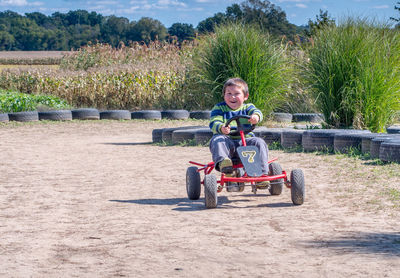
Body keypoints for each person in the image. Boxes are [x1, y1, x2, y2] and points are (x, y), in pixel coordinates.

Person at [209, 77, 269, 186]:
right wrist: (222, 128)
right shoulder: (219, 108)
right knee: (218, 139)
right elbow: (214, 122)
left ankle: (261, 175)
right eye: (229, 93)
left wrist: (255, 117)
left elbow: (257, 112)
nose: (232, 97)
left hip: (246, 142)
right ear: (224, 95)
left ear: (245, 96)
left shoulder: (248, 107)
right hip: (228, 144)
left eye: (236, 93)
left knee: (259, 141)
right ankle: (224, 164)